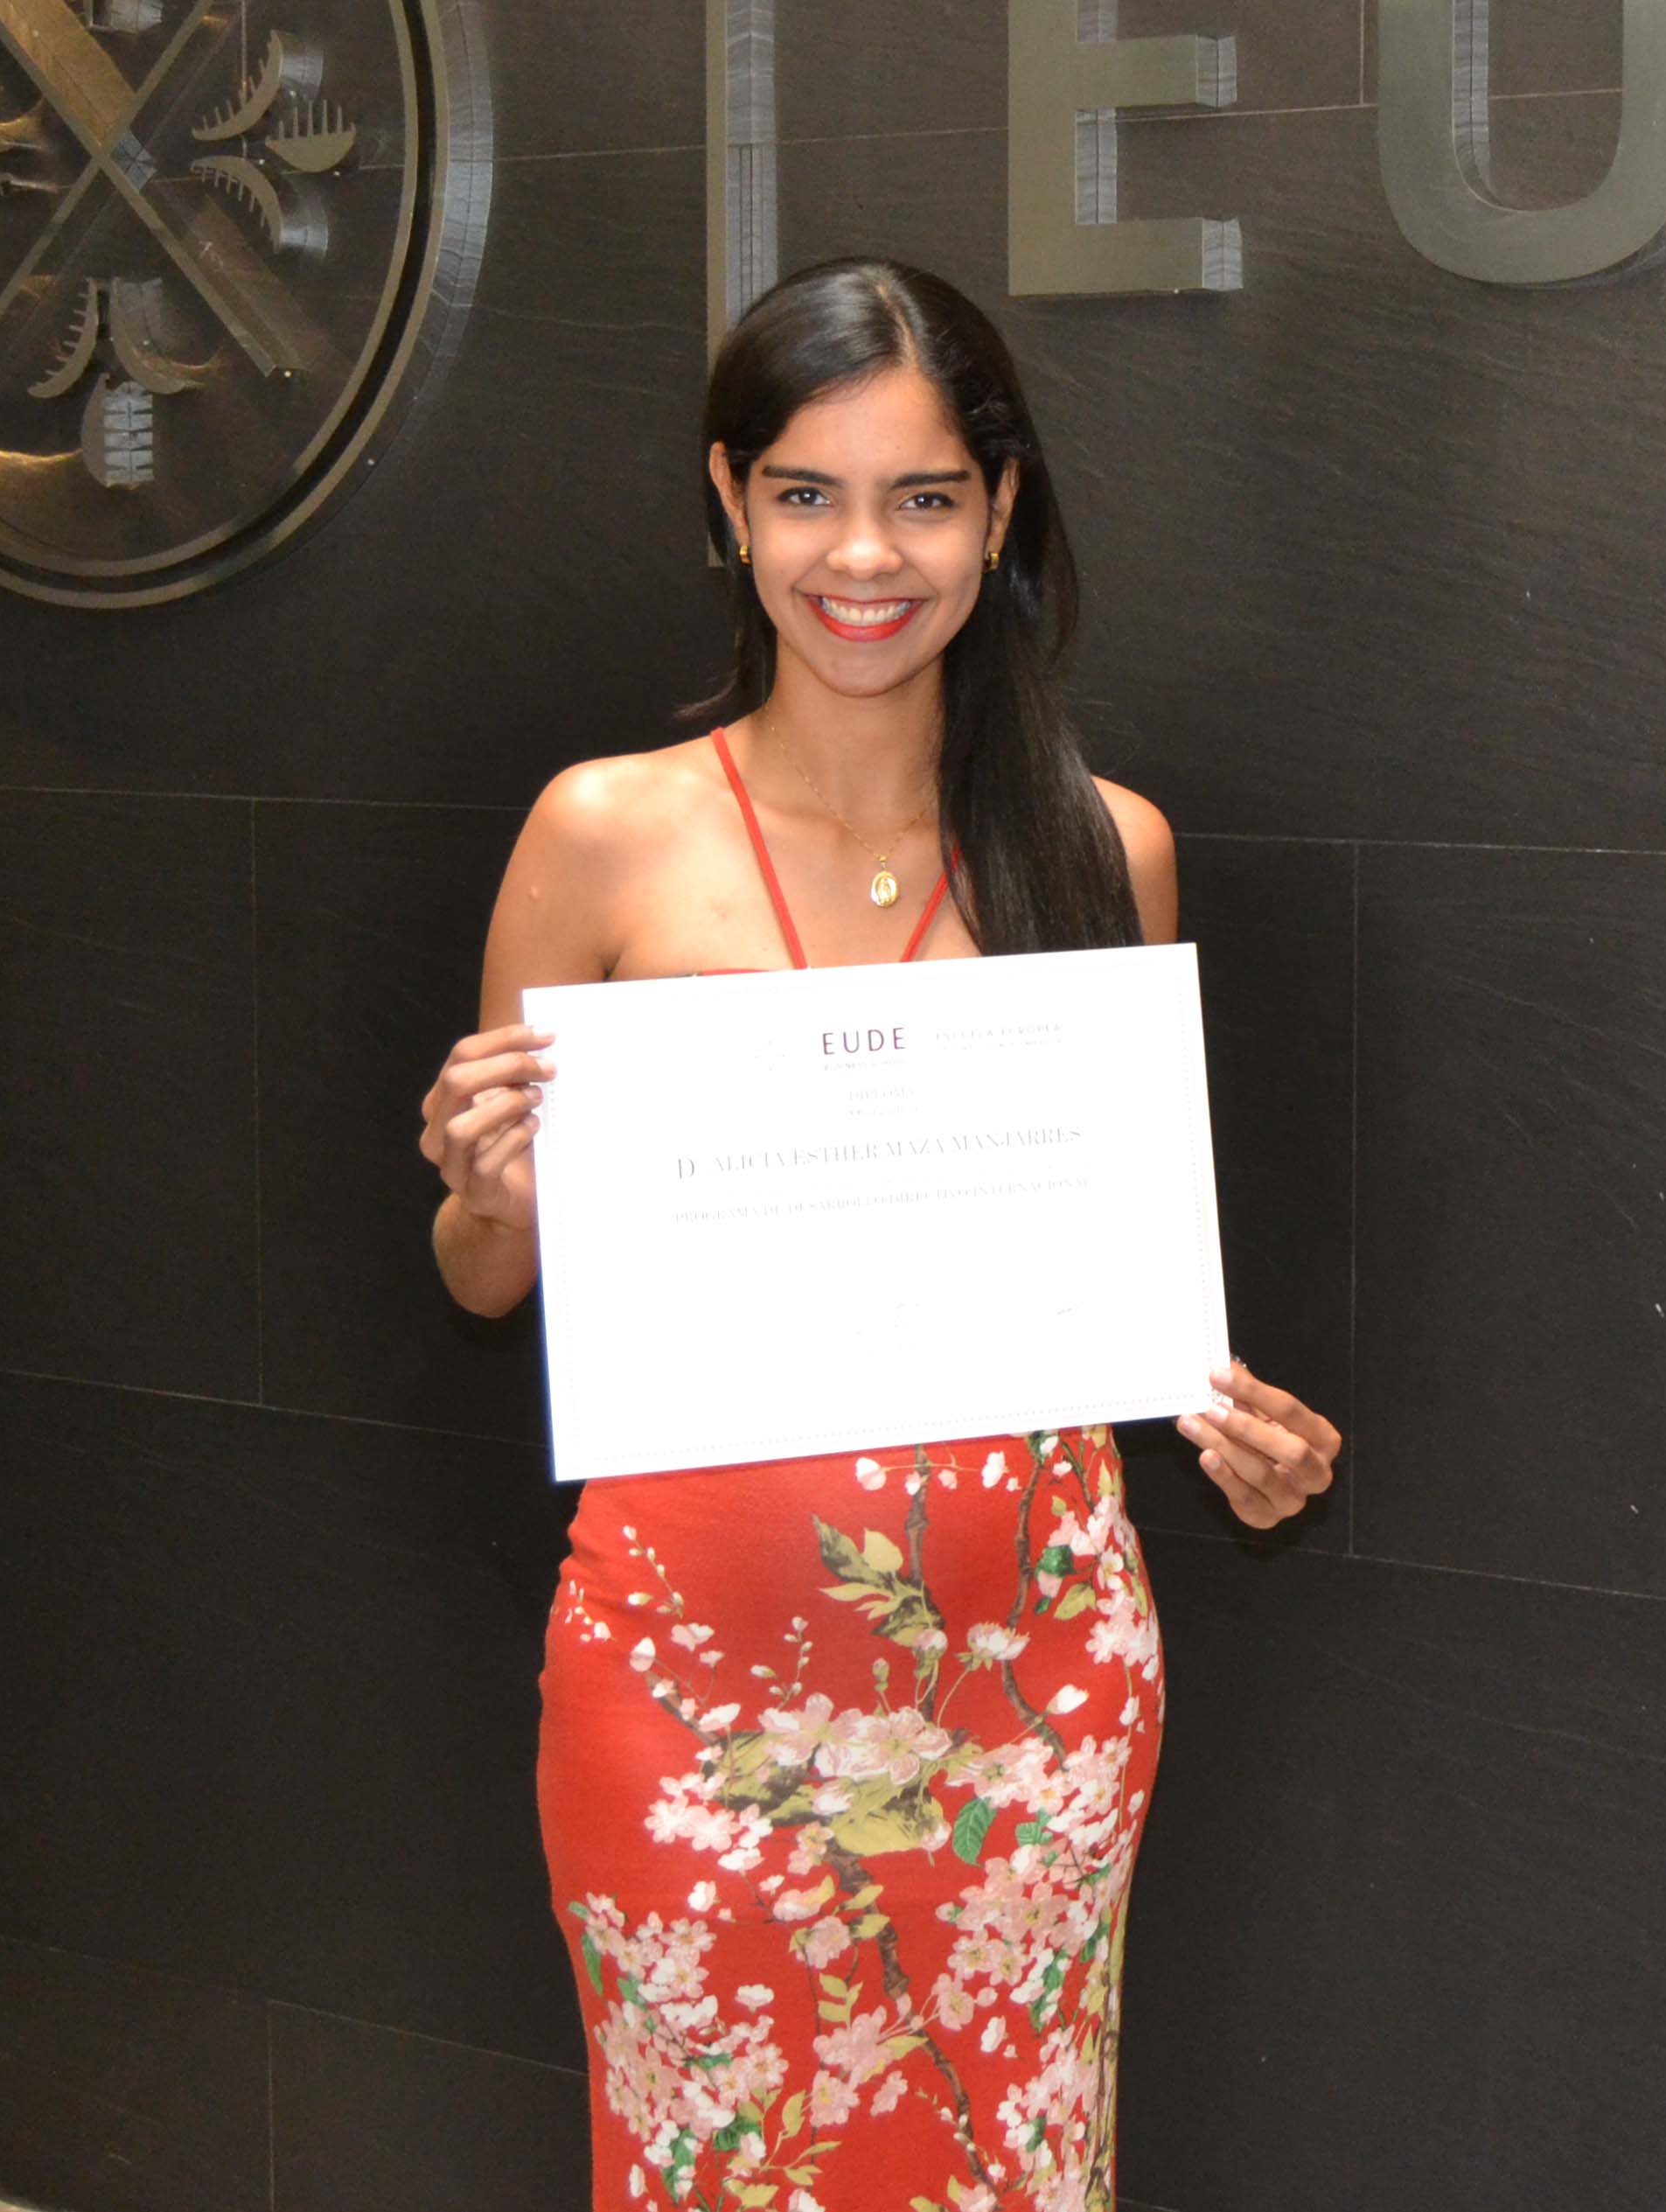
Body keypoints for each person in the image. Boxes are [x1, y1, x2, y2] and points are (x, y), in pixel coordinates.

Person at [414, 259, 1343, 2212]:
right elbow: (485, 1274)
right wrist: (489, 1191)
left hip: (1032, 1683)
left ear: (998, 514)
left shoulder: (1105, 846)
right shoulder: (602, 832)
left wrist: (1241, 1430)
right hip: (685, 1686)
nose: (863, 555)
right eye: (807, 495)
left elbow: (1115, 1277)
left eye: (922, 497)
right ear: (729, 503)